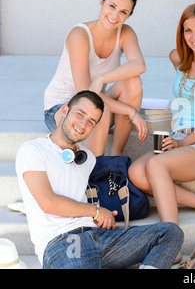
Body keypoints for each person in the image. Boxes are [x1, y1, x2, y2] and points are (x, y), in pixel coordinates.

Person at [16, 90, 183, 269]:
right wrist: (96, 211)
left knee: (170, 232)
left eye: (91, 122)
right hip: (64, 241)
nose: (82, 124)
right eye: (79, 114)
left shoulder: (87, 158)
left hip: (99, 237)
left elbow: (76, 198)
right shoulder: (33, 150)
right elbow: (48, 203)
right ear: (65, 110)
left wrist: (100, 218)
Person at [128, 3, 195, 226]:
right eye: (188, 30)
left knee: (156, 166)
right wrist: (179, 140)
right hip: (179, 138)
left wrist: (184, 142)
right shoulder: (178, 58)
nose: (194, 36)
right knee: (136, 172)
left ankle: (171, 240)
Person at [44, 0, 148, 157]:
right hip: (62, 109)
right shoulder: (80, 35)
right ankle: (96, 170)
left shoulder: (125, 33)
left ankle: (116, 156)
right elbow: (85, 93)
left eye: (123, 12)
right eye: (112, 6)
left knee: (134, 83)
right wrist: (130, 111)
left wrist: (101, 79)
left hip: (96, 105)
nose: (115, 16)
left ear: (129, 15)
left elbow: (139, 65)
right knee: (101, 108)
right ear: (101, 2)